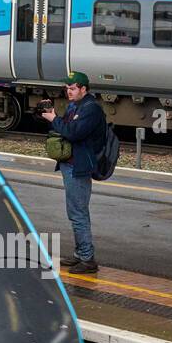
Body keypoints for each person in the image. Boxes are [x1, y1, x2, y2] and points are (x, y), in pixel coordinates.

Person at [40, 71, 107, 274]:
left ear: (84, 89)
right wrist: (51, 114)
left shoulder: (91, 109)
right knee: (74, 211)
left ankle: (87, 259)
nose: (68, 91)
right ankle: (80, 254)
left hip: (79, 167)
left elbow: (72, 132)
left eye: (72, 88)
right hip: (70, 165)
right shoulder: (75, 106)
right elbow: (66, 128)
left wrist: (53, 119)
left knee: (78, 213)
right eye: (67, 88)